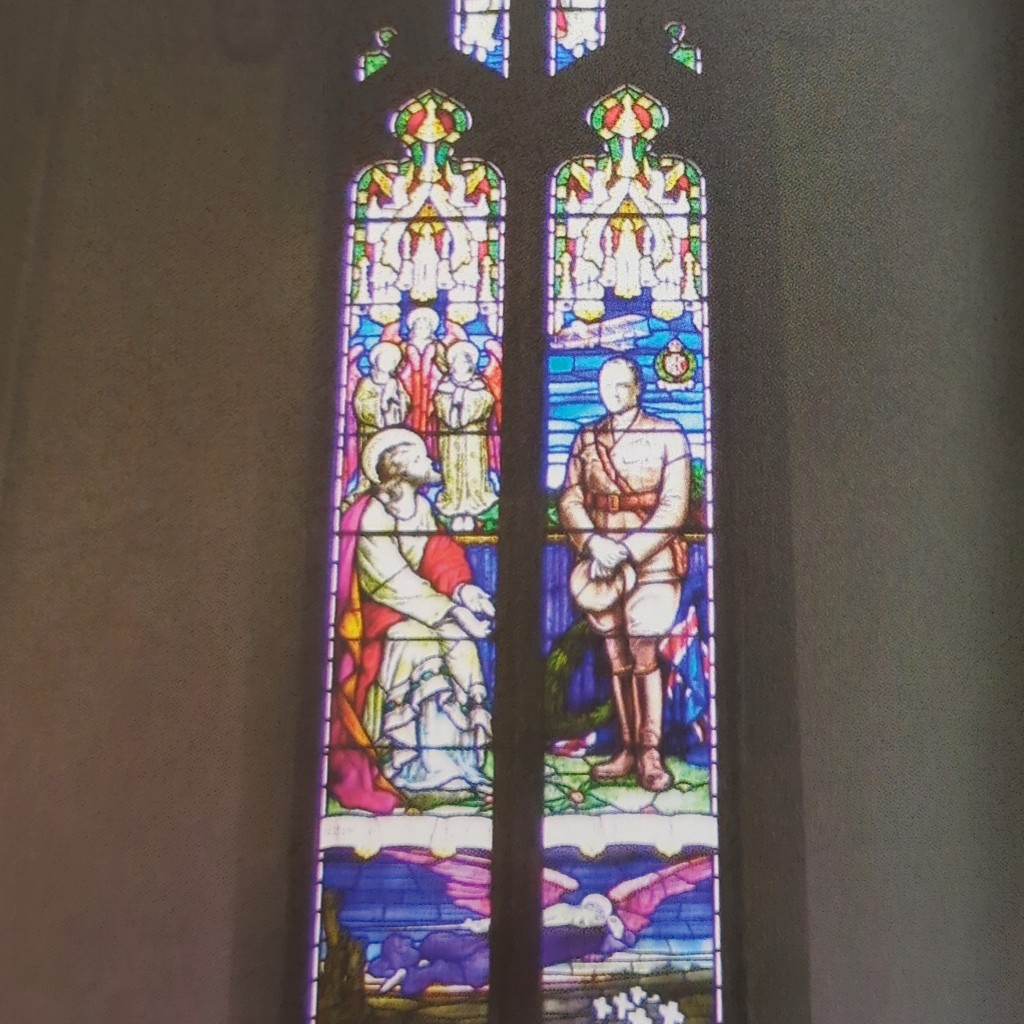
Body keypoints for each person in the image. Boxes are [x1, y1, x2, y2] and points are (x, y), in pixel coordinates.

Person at [328, 428, 496, 813]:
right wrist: (451, 610)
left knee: (458, 639)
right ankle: (415, 765)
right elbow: (390, 581)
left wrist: (464, 592)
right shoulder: (370, 514)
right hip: (376, 619)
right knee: (419, 644)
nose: (430, 461)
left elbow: (438, 555)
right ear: (400, 471)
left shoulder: (420, 508)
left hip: (422, 608)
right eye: (421, 458)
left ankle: (458, 766)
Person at [558, 357, 691, 792]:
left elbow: (673, 507)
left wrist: (628, 550)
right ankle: (628, 749)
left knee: (644, 650)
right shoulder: (587, 437)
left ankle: (650, 751)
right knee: (617, 656)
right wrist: (593, 544)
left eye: (621, 386)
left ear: (638, 389)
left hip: (651, 560)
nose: (612, 394)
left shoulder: (668, 434)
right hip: (601, 563)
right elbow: (570, 498)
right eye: (605, 385)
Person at [433, 340, 499, 528]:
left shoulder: (479, 385)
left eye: (466, 360)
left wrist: (465, 400)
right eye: (458, 360)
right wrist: (453, 404)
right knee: (452, 468)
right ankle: (453, 500)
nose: (462, 364)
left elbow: (486, 402)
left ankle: (475, 500)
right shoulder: (444, 386)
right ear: (451, 364)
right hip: (450, 439)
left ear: (472, 363)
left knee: (473, 468)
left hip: (473, 437)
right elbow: (440, 405)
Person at [351, 342, 411, 493]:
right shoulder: (367, 383)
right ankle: (367, 487)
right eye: (383, 359)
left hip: (391, 431)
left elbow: (405, 402)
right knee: (370, 459)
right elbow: (360, 404)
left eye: (390, 361)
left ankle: (392, 487)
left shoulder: (396, 383)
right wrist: (381, 401)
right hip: (371, 431)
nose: (386, 363)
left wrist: (396, 401)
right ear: (375, 361)